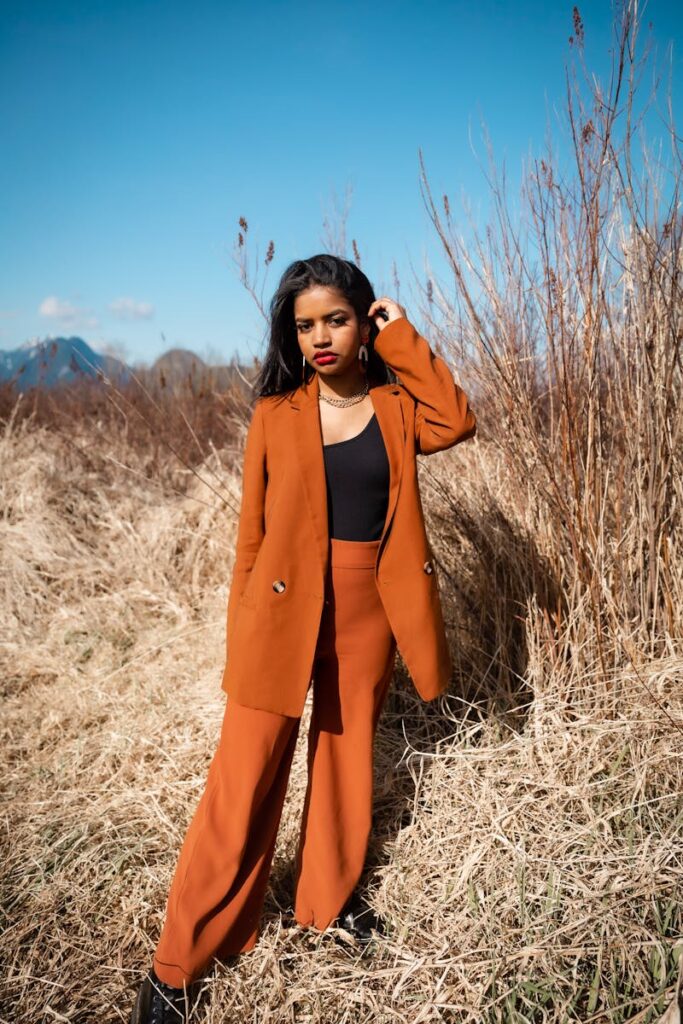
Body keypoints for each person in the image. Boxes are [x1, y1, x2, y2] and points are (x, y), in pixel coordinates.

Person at [129, 253, 476, 1022]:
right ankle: (176, 966)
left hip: (367, 610)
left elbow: (456, 419)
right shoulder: (275, 415)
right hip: (280, 613)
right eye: (304, 324)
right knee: (241, 781)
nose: (319, 337)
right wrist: (241, 636)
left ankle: (327, 903)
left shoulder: (396, 407)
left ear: (363, 322)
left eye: (336, 320)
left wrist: (401, 336)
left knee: (346, 763)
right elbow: (249, 539)